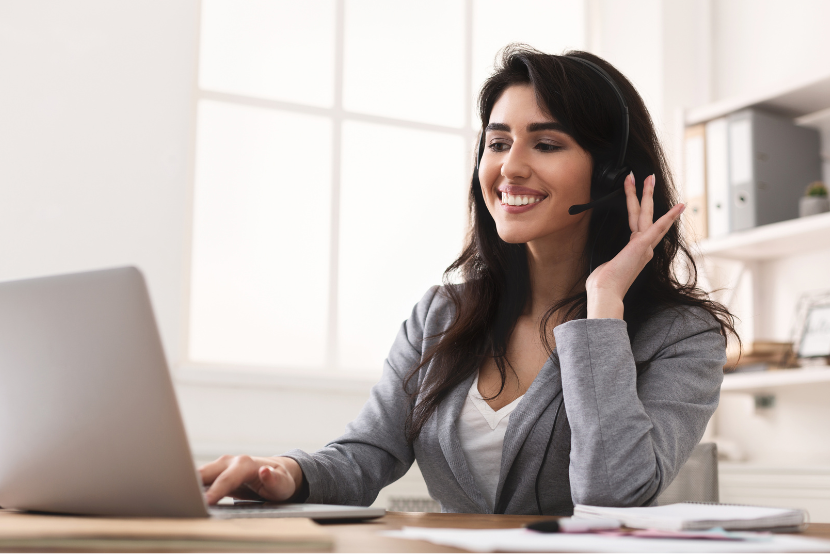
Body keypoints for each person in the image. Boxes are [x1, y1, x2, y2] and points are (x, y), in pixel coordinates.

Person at [198, 45, 735, 515]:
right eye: (498, 143)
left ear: (612, 174)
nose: (510, 168)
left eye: (545, 145)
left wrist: (603, 304)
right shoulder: (442, 313)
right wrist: (286, 473)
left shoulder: (683, 336)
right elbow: (369, 454)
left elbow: (612, 495)